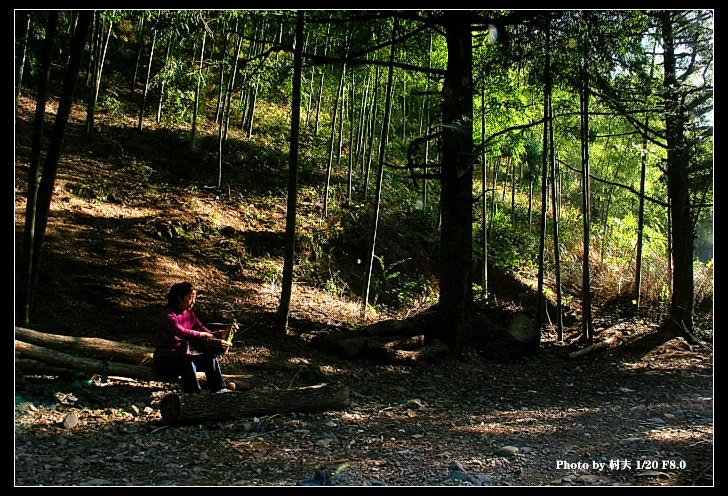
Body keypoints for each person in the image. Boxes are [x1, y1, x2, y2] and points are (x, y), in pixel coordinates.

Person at [153, 282, 228, 393]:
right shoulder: (168, 314)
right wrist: (202, 335)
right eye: (190, 298)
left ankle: (219, 390)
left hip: (183, 359)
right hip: (165, 361)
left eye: (194, 298)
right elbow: (180, 332)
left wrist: (223, 333)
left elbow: (206, 331)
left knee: (209, 359)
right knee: (187, 361)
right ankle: (194, 394)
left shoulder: (190, 315)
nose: (193, 302)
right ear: (179, 297)